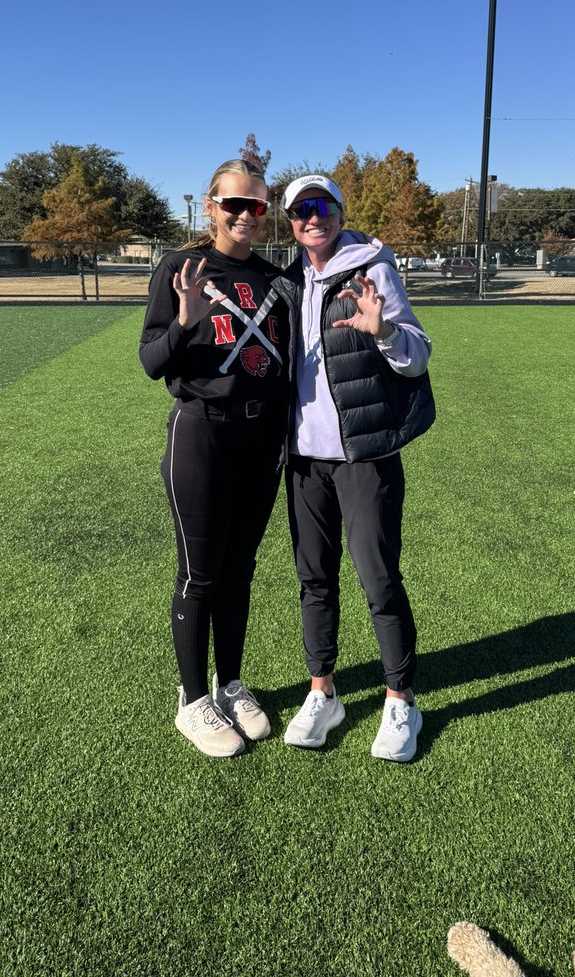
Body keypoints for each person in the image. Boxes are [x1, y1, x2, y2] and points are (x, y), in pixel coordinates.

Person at [274, 174, 435, 762]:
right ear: (288, 222)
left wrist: (385, 330)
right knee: (314, 579)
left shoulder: (373, 269)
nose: (311, 219)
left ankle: (401, 701)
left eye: (322, 207)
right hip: (303, 461)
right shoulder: (290, 280)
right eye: (299, 211)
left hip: (364, 456)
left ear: (339, 212)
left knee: (378, 579)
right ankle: (323, 692)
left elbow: (418, 355)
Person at [138, 159, 288, 758]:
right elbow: (152, 363)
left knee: (240, 570)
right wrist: (183, 321)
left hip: (262, 442)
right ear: (210, 205)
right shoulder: (182, 267)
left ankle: (230, 683)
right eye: (235, 204)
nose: (247, 215)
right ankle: (193, 697)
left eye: (257, 205)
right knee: (200, 573)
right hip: (202, 436)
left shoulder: (277, 280)